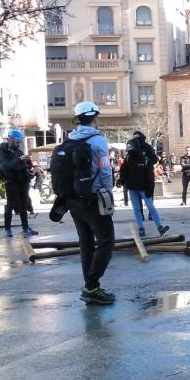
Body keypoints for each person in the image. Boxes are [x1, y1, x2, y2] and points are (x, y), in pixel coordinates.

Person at [65, 101, 116, 305]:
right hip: (94, 197)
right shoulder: (97, 141)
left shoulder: (70, 139)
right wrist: (108, 192)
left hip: (73, 198)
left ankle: (90, 286)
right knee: (106, 241)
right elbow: (105, 169)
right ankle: (92, 285)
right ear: (95, 117)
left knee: (85, 242)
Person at [119, 132, 170, 238]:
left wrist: (149, 189)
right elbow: (124, 170)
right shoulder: (129, 158)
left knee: (150, 206)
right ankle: (141, 228)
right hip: (132, 187)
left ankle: (159, 226)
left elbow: (150, 175)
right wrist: (121, 181)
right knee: (136, 208)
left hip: (143, 187)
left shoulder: (145, 157)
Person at [0, 129, 37, 238]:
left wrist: (30, 165)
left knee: (24, 205)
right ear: (10, 140)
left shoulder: (18, 151)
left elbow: (25, 167)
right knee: (10, 204)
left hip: (22, 181)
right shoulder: (2, 151)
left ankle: (26, 228)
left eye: (19, 142)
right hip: (11, 181)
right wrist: (19, 159)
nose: (18, 145)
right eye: (17, 142)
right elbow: (5, 167)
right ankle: (7, 229)